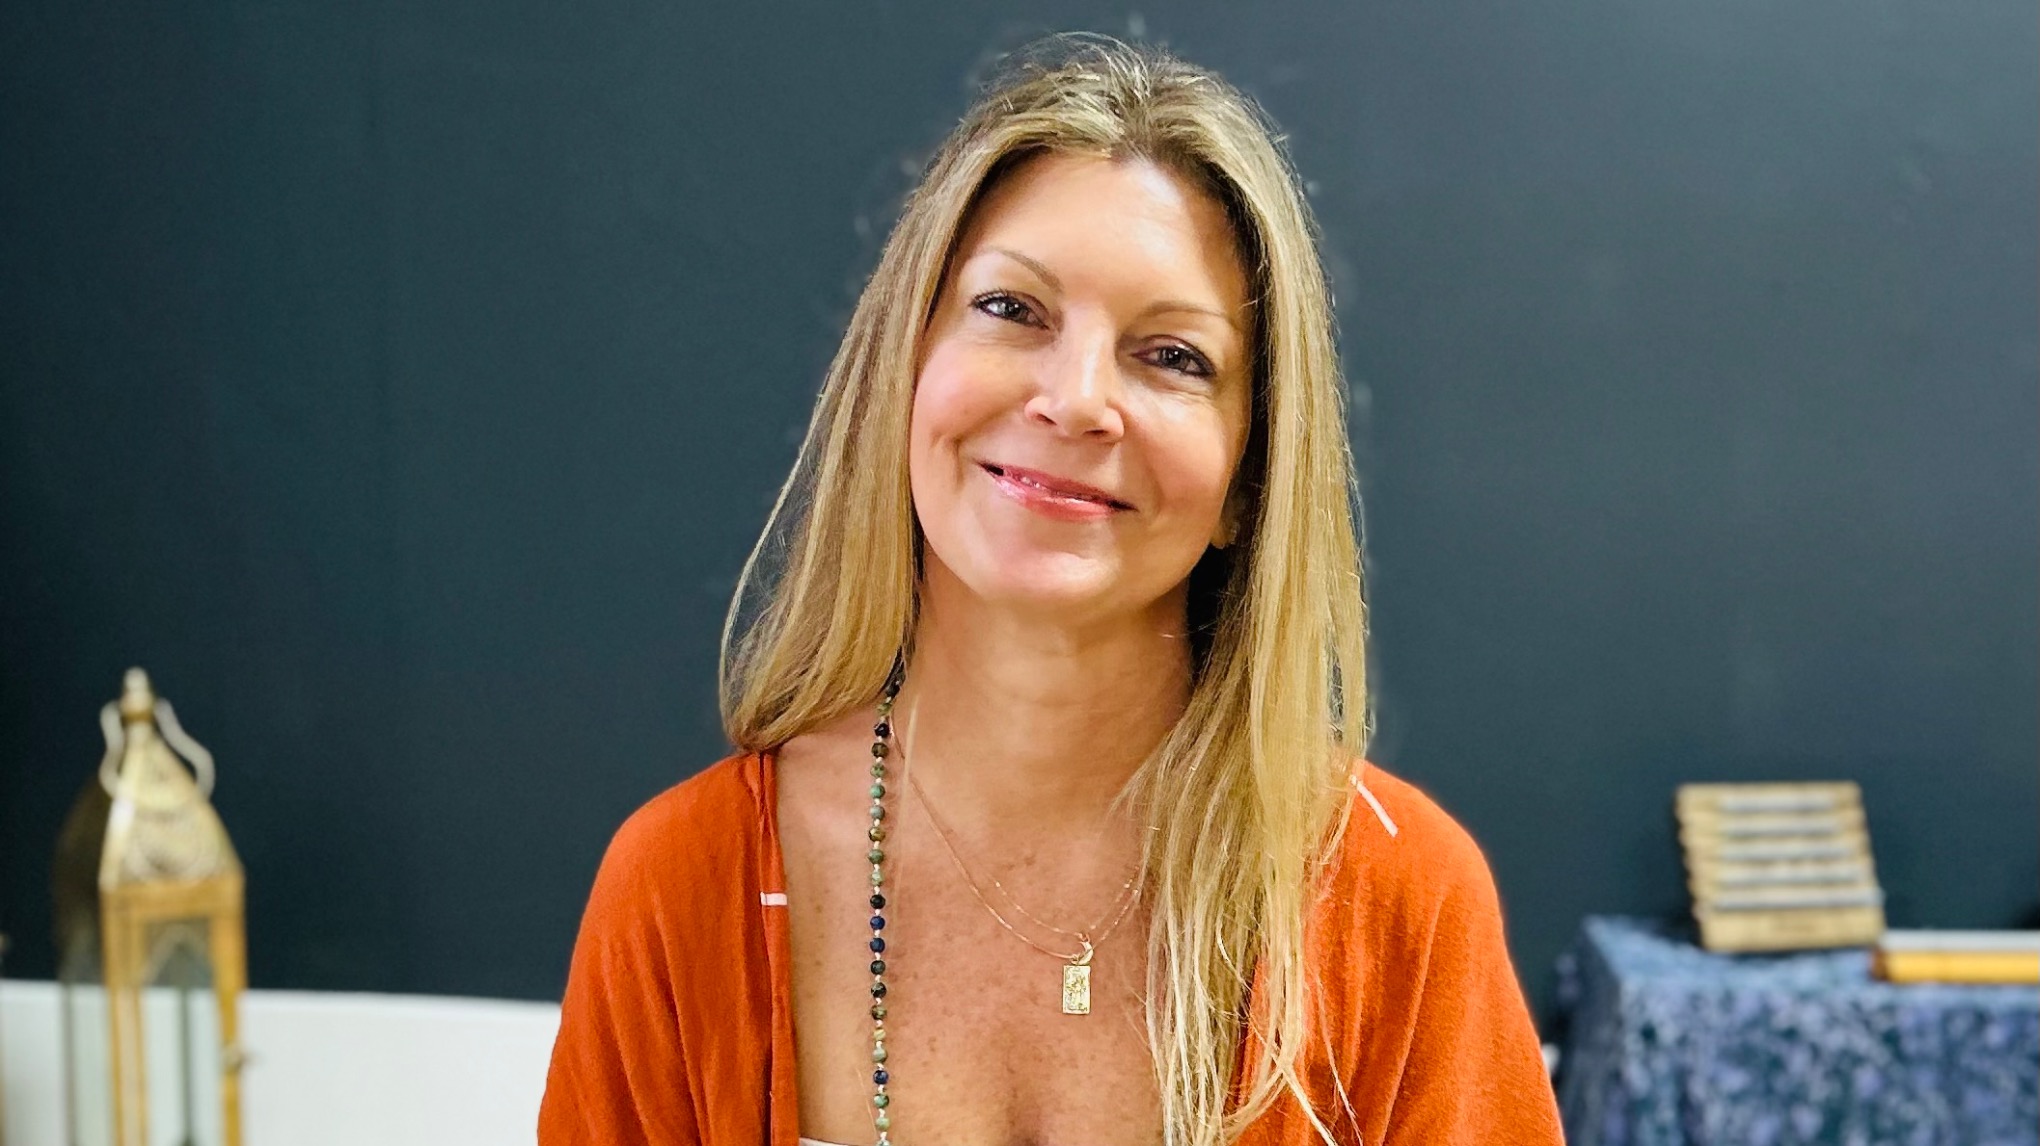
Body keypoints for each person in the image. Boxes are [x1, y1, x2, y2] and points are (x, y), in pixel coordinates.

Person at [539, 37, 1562, 1146]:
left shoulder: (1401, 901)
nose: (1075, 401)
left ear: (1247, 479)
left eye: (1172, 356)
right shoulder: (685, 889)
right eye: (1012, 308)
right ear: (905, 373)